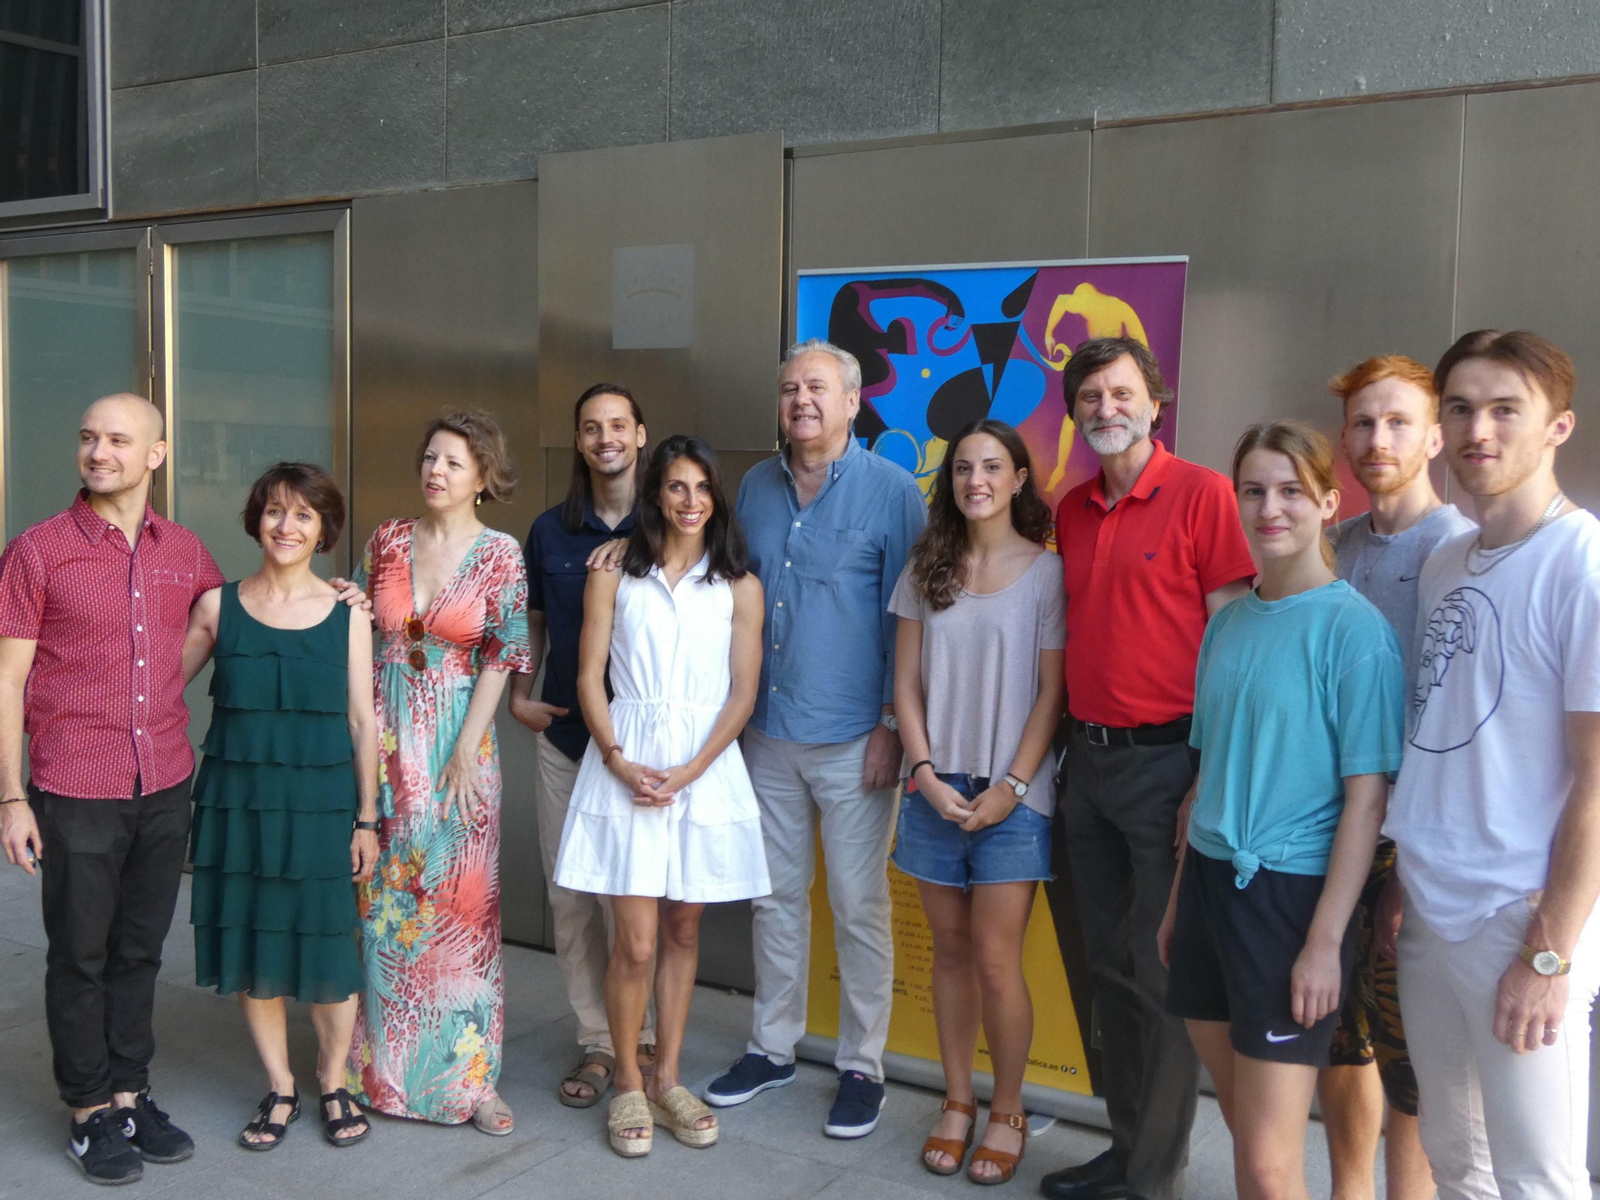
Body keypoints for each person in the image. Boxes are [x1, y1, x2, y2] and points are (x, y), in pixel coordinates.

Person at [1158, 419, 1405, 1200]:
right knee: (1246, 1134)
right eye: (1254, 491)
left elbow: (1367, 800)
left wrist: (1324, 943)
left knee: (1266, 1170)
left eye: (1292, 491)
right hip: (1205, 887)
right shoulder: (1227, 623)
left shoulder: (1354, 632)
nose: (1271, 508)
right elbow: (1207, 779)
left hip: (1289, 902)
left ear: (1330, 502)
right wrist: (1175, 904)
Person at [1384, 330, 1600, 1200]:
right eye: (1463, 409)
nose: (1480, 429)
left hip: (1521, 916)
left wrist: (1549, 953)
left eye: (1506, 408)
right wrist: (1404, 880)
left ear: (1557, 427)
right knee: (1455, 1155)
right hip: (1433, 911)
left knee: (1538, 1176)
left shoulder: (1580, 562)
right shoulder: (1445, 563)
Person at [1043, 338, 1256, 1200]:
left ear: (1155, 402)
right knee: (1105, 969)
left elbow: (1235, 646)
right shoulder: (1071, 508)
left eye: (1120, 392)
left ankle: (1156, 1173)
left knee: (1162, 973)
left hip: (1171, 766)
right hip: (1084, 764)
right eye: (1089, 395)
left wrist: (1210, 773)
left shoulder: (1204, 494)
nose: (1105, 408)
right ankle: (1126, 1147)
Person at [701, 338, 926, 1138]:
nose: (801, 399)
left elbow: (915, 619)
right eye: (789, 387)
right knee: (775, 901)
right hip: (766, 733)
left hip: (855, 740)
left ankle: (863, 1065)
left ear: (853, 400)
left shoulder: (895, 493)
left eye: (818, 387)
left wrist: (894, 728)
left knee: (860, 905)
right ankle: (773, 1047)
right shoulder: (755, 487)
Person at [0, 394, 223, 1185]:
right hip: (73, 783)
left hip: (163, 777)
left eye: (119, 440)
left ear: (155, 455)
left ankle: (131, 1094)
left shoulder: (185, 549)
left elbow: (225, 619)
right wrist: (10, 798)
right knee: (80, 954)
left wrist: (339, 601)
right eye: (89, 436)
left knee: (140, 950)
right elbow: (8, 674)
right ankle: (89, 1111)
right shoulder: (38, 550)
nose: (98, 451)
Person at [555, 435, 769, 1157]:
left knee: (683, 932)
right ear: (656, 496)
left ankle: (669, 1077)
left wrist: (692, 769)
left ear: (717, 497)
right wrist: (617, 758)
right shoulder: (615, 573)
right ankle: (626, 1084)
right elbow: (588, 677)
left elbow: (742, 693)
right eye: (676, 487)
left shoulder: (738, 583)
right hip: (627, 759)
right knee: (636, 941)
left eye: (701, 487)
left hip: (703, 771)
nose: (689, 501)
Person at [183, 462, 381, 1150]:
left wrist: (366, 818)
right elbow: (152, 690)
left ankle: (332, 1078)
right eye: (273, 511)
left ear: (324, 528)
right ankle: (281, 1085)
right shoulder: (217, 606)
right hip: (239, 804)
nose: (285, 525)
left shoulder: (349, 616)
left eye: (302, 514)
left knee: (328, 947)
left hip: (322, 805)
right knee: (254, 941)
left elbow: (363, 722)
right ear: (255, 520)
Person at [347, 411, 532, 1134]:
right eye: (430, 457)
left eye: (455, 462)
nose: (437, 471)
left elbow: (505, 651)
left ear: (483, 477)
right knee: (387, 913)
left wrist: (465, 747)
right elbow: (363, 630)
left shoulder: (499, 554)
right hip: (387, 744)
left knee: (463, 913)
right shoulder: (388, 540)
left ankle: (470, 1083)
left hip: (460, 740)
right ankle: (385, 1077)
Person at [891, 420, 1064, 1186]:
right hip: (934, 786)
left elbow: (1054, 691)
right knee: (951, 955)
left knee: (997, 962)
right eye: (963, 468)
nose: (976, 480)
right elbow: (905, 683)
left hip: (1013, 794)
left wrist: (1012, 789)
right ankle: (957, 1103)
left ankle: (1009, 1109)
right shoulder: (928, 565)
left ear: (1020, 478)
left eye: (993, 466)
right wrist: (923, 772)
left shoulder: (1049, 574)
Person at [1320, 356, 1474, 1200]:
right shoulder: (1336, 548)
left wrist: (1416, 862)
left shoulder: (1459, 550)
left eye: (1399, 422)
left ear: (1435, 436)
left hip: (1414, 845)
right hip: (1335, 830)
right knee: (1342, 1037)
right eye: (1364, 424)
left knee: (1411, 1054)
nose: (1379, 440)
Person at [510, 383, 656, 1108]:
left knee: (626, 906)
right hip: (566, 737)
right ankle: (597, 1041)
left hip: (637, 751)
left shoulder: (671, 523)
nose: (606, 437)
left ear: (639, 434)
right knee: (570, 900)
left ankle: (646, 1039)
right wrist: (519, 692)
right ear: (578, 440)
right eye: (592, 427)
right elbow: (534, 618)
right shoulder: (549, 531)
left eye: (618, 425)